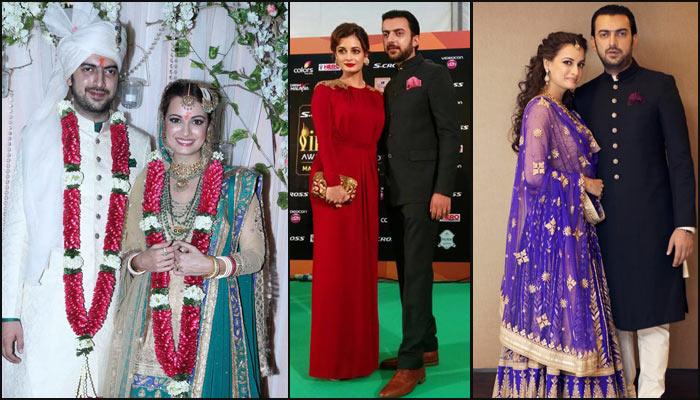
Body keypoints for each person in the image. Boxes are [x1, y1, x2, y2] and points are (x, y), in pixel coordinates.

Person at [1, 3, 151, 397]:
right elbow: (16, 230)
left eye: (109, 70)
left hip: (111, 312)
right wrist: (8, 314)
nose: (99, 80)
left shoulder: (140, 146)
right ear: (70, 75)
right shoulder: (39, 136)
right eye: (88, 68)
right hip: (46, 310)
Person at [100, 80, 271, 398]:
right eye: (176, 120)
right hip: (150, 334)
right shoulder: (146, 180)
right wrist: (142, 261)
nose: (186, 131)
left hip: (211, 328)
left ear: (210, 125)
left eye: (197, 121)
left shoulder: (236, 185)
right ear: (163, 122)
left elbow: (255, 256)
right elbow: (124, 253)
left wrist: (211, 265)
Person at [492, 32, 629, 398]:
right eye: (567, 62)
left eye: (580, 64)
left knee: (573, 318)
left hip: (574, 230)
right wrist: (584, 183)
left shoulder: (567, 111)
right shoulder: (540, 108)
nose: (575, 71)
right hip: (549, 236)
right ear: (547, 64)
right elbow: (535, 176)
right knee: (554, 317)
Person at [574, 5, 696, 397]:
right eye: (604, 34)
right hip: (604, 226)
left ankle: (651, 393)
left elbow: (680, 159)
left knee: (654, 315)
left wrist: (685, 225)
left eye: (621, 33)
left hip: (656, 224)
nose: (612, 42)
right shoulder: (582, 96)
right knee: (616, 317)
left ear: (634, 38)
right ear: (594, 41)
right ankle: (622, 390)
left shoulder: (660, 86)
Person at [378, 9, 460, 398]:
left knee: (415, 277)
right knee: (409, 272)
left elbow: (449, 134)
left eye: (398, 32)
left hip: (424, 193)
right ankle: (426, 344)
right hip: (396, 191)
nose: (390, 39)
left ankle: (411, 364)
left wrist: (443, 190)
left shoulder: (434, 74)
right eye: (385, 34)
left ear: (416, 39)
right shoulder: (392, 83)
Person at [308, 23, 384, 380]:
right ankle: (333, 360)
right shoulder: (325, 91)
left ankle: (361, 358)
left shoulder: (377, 97)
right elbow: (324, 140)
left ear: (366, 55)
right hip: (335, 180)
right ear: (334, 55)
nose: (349, 57)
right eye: (342, 51)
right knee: (336, 269)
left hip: (367, 181)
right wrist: (335, 184)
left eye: (355, 50)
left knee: (361, 269)